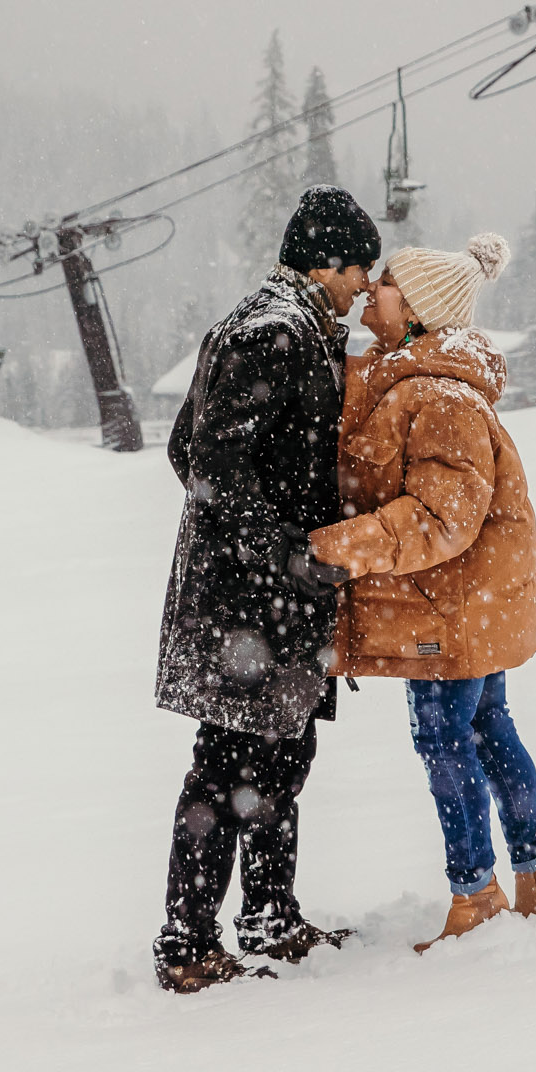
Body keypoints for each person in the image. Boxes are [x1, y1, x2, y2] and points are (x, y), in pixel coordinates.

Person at [309, 232, 536, 952]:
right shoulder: (418, 380)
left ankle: (478, 892)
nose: (372, 289)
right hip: (462, 602)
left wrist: (337, 548)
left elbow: (441, 517)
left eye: (389, 283)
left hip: (450, 607)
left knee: (444, 737)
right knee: (487, 728)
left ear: (423, 309)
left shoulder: (439, 396)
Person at [151, 184, 378, 993]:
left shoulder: (287, 329)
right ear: (326, 262)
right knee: (225, 768)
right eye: (359, 268)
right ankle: (186, 942)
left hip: (271, 602)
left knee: (282, 755)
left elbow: (184, 445)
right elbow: (208, 465)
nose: (363, 284)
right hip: (249, 607)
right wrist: (279, 552)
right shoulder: (272, 334)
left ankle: (269, 915)